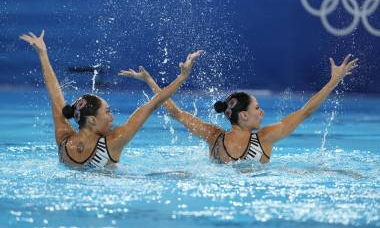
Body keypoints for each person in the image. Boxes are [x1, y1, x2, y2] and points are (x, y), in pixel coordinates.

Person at [120, 54, 358, 164]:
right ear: (244, 115)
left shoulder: (213, 137)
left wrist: (151, 81)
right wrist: (333, 81)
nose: (262, 112)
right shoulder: (265, 139)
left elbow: (176, 113)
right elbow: (306, 111)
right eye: (258, 108)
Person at [20, 30, 203, 168]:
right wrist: (182, 76)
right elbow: (152, 104)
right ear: (92, 120)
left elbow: (55, 96)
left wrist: (42, 55)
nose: (112, 117)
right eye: (107, 112)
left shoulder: (63, 140)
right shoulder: (113, 142)